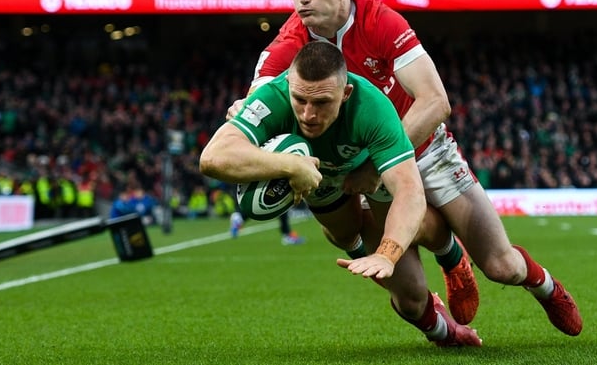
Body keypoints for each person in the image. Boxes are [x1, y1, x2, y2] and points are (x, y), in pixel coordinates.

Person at [231, 0, 582, 336]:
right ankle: (448, 262)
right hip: (350, 161)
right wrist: (244, 116)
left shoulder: (380, 21)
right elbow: (254, 103)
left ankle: (546, 287)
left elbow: (435, 101)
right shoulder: (288, 43)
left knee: (502, 265)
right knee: (380, 264)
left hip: (424, 148)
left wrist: (375, 165)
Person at [201, 41, 482, 347]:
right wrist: (291, 165)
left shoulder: (372, 107)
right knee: (355, 246)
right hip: (316, 173)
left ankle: (451, 255)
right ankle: (444, 333)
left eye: (321, 102)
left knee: (417, 239)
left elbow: (410, 191)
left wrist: (388, 253)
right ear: (289, 87)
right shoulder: (274, 97)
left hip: (370, 173)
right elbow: (212, 158)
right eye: (299, 100)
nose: (308, 114)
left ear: (345, 94)